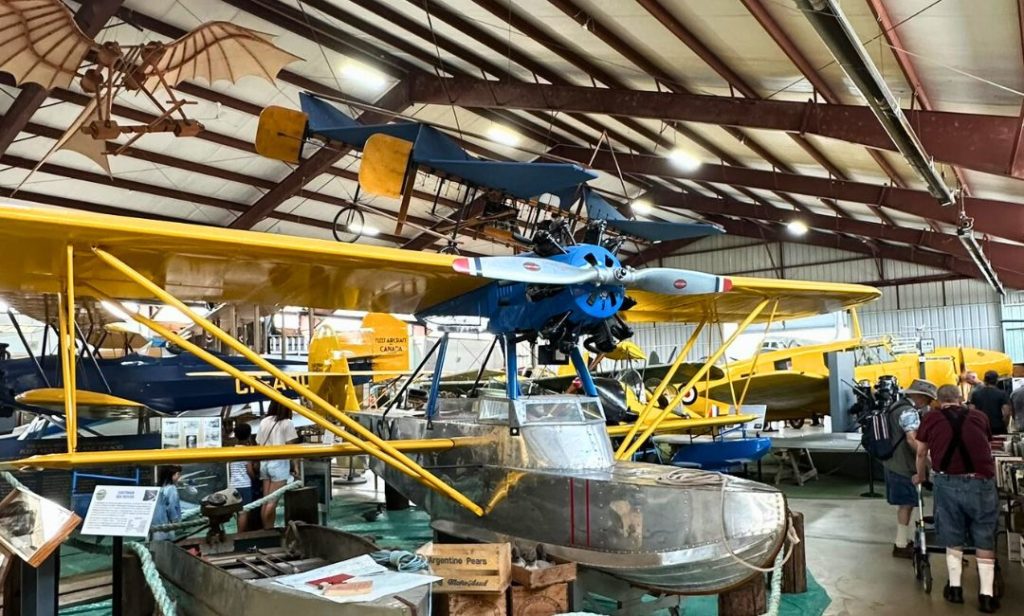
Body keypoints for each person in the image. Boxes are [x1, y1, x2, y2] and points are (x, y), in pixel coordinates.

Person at [914, 385, 999, 613]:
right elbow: (986, 445)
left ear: (939, 401)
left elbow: (922, 452)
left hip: (947, 482)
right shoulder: (979, 416)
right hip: (981, 482)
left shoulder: (931, 418)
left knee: (953, 535)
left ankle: (955, 589)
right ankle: (987, 595)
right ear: (960, 398)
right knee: (984, 537)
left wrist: (920, 475)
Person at [880, 379, 935, 559]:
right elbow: (912, 439)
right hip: (904, 464)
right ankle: (901, 543)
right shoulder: (908, 412)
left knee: (906, 504)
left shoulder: (895, 406)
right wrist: (927, 460)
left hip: (892, 461)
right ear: (920, 396)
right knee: (907, 504)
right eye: (927, 399)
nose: (927, 404)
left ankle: (902, 540)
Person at [256, 401, 300, 530]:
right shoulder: (287, 423)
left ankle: (266, 529)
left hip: (264, 463)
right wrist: (296, 466)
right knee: (272, 502)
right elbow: (291, 447)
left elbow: (259, 442)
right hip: (279, 465)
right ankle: (269, 530)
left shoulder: (264, 421)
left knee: (265, 500)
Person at [228, 422, 259, 532]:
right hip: (244, 485)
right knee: (244, 512)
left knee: (238, 511)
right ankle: (240, 535)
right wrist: (255, 479)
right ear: (249, 435)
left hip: (233, 485)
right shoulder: (246, 451)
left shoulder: (231, 450)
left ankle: (238, 532)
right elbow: (249, 470)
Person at [969, 370, 1010, 435]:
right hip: (998, 426)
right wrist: (1005, 425)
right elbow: (1006, 413)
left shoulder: (976, 394)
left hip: (981, 426)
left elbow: (971, 411)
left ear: (984, 380)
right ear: (997, 381)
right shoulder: (1002, 394)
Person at [151, 465, 182, 542]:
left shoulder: (158, 488)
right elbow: (171, 507)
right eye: (178, 474)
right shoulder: (171, 489)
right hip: (166, 527)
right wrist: (176, 522)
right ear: (172, 475)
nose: (179, 477)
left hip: (155, 527)